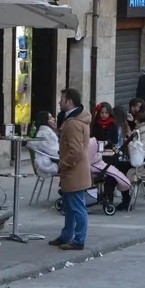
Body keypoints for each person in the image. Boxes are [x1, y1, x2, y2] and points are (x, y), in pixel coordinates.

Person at [49, 88, 90, 250]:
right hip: (74, 170)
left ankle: (79, 240)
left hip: (74, 171)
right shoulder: (75, 119)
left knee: (77, 206)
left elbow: (76, 151)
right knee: (70, 206)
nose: (59, 102)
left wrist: (63, 163)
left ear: (70, 102)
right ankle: (66, 235)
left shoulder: (73, 123)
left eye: (62, 99)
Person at [27, 110, 59, 176]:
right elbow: (54, 152)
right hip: (48, 165)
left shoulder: (43, 131)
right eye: (50, 118)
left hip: (46, 162)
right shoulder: (45, 133)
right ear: (44, 121)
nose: (54, 119)